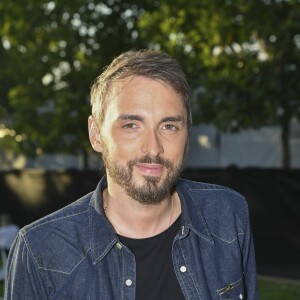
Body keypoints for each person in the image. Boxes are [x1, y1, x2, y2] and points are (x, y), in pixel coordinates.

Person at [5, 50, 258, 299]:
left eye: (169, 126)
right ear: (96, 134)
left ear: (187, 134)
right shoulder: (40, 250)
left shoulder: (228, 214)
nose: (153, 148)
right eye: (131, 125)